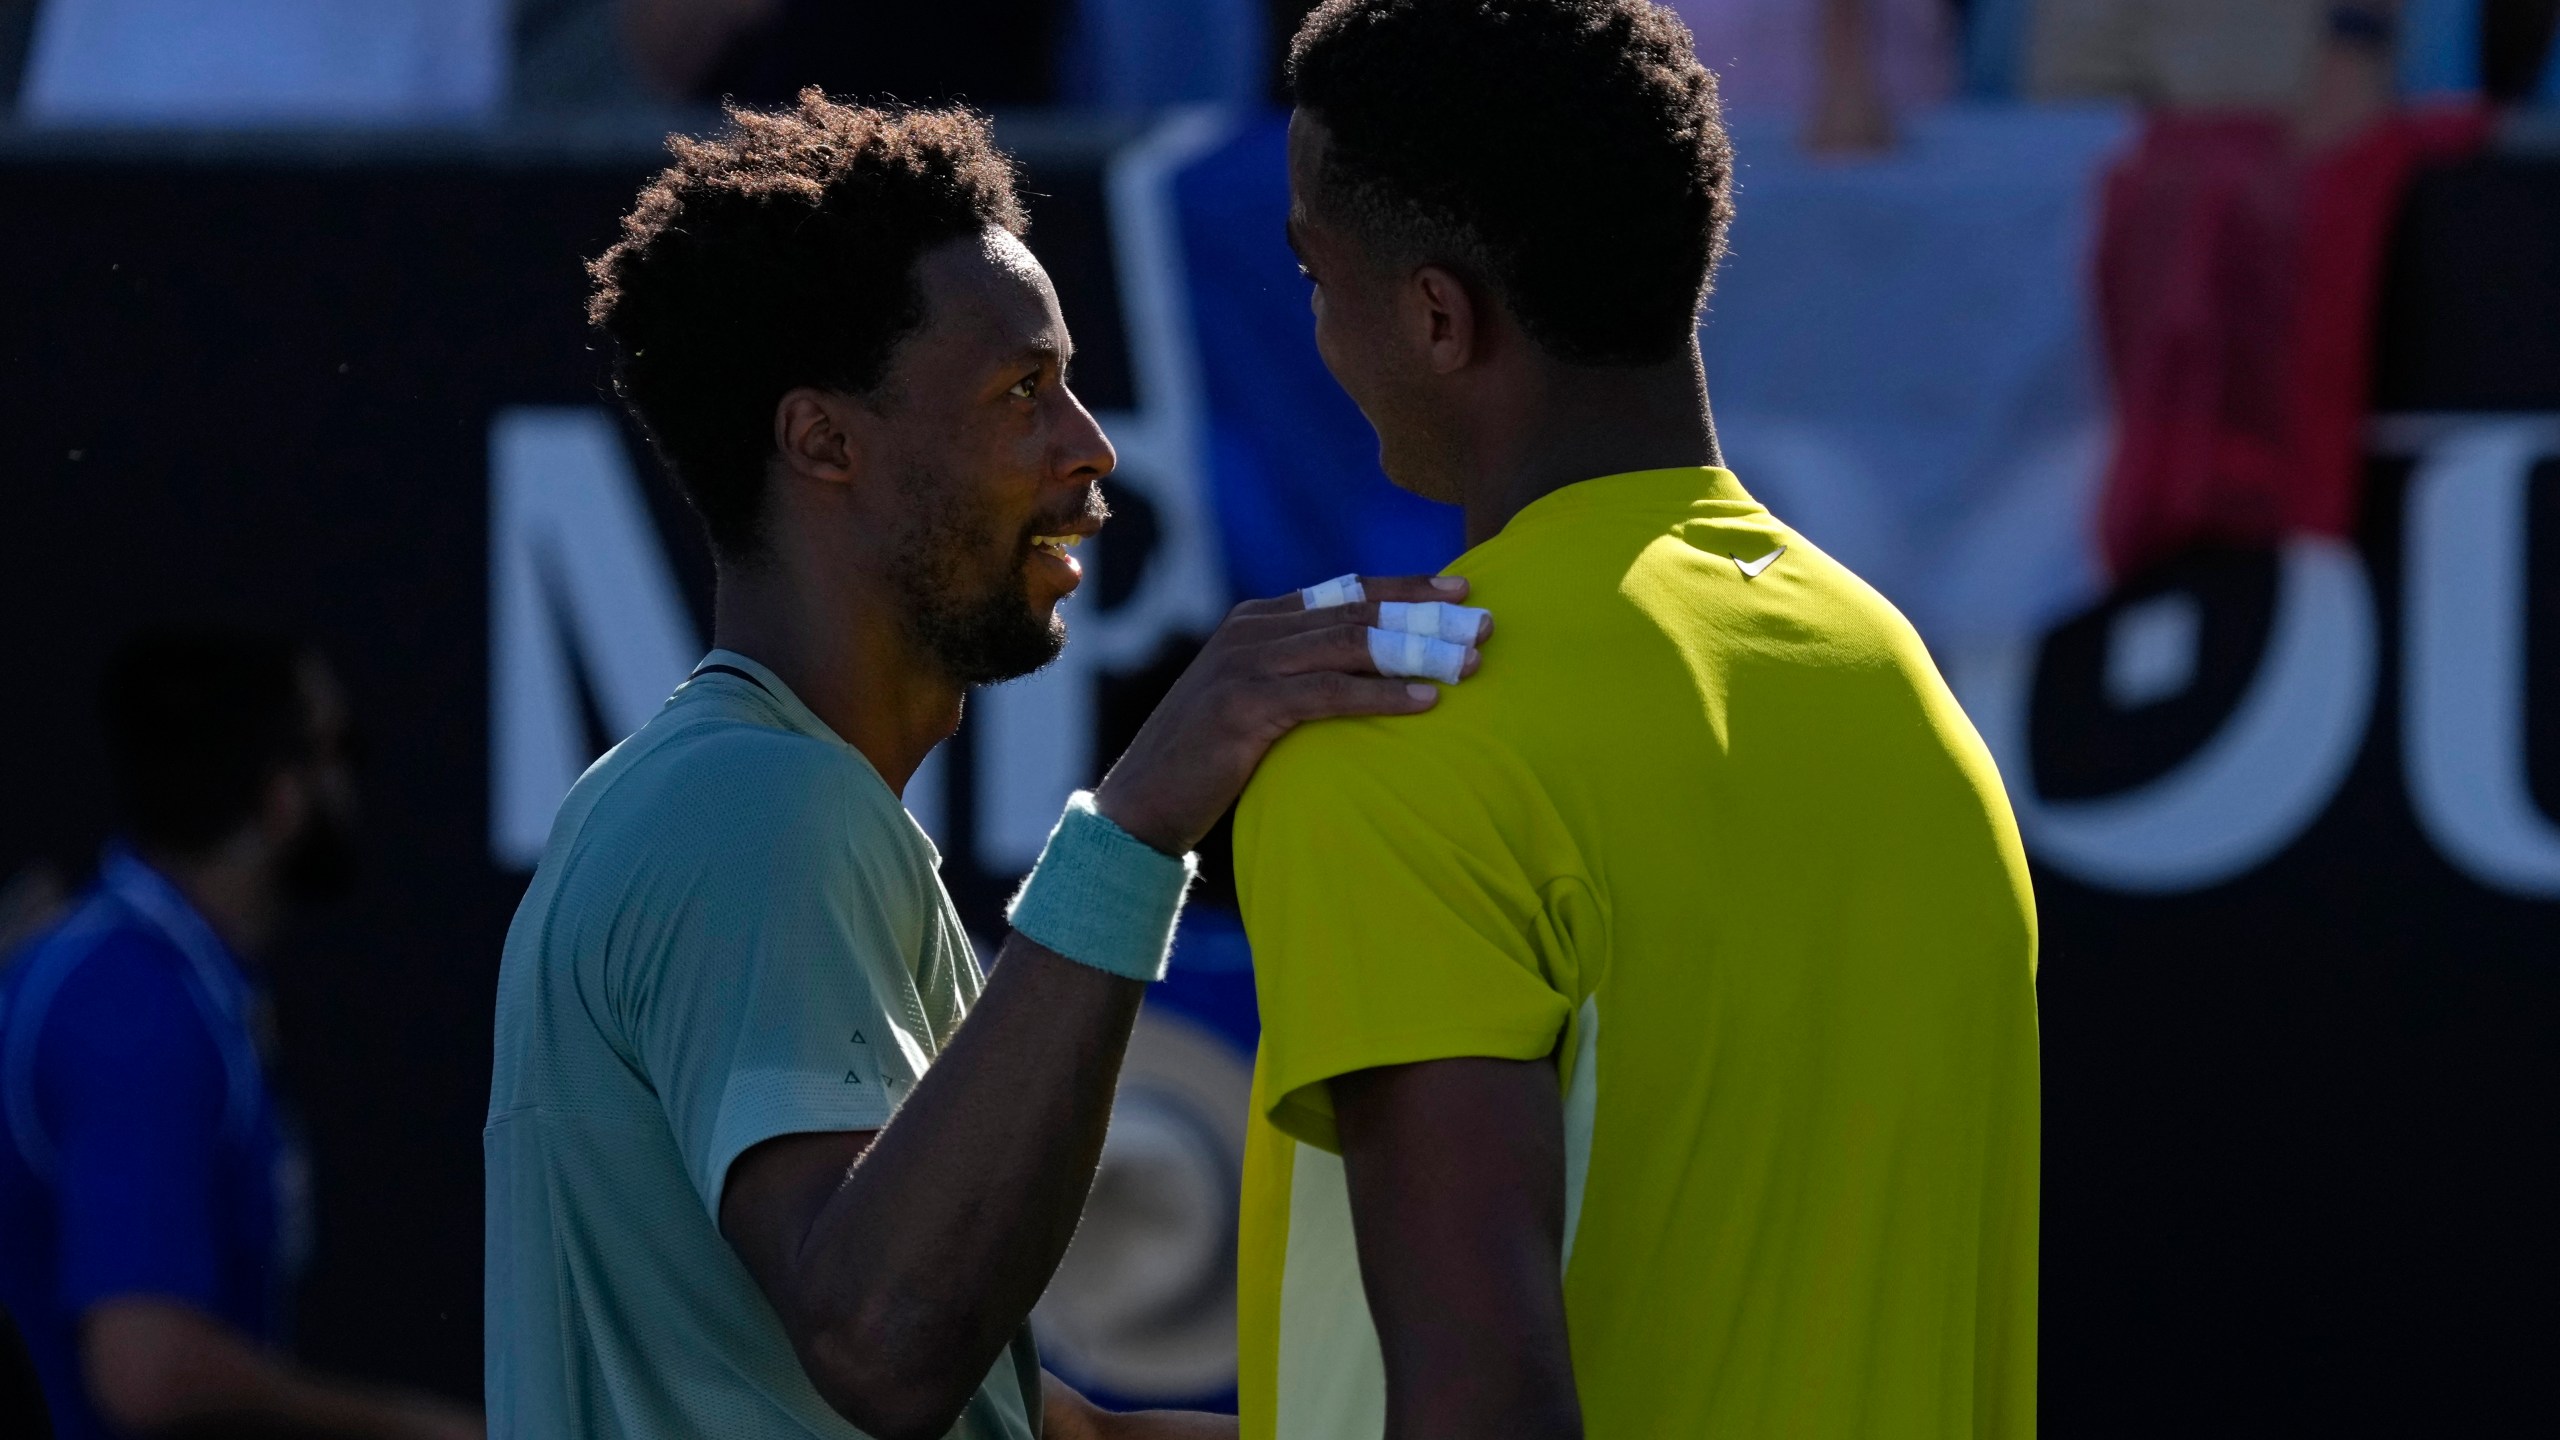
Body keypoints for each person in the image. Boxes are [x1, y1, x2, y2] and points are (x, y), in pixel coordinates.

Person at [484, 92, 1480, 1440]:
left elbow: (1025, 1425)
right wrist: (1139, 823)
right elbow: (886, 1343)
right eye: (1024, 393)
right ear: (825, 441)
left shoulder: (733, 797)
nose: (1090, 445)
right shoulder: (758, 807)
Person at [1231, 3, 2041, 1437]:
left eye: (1316, 269)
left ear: (1433, 315)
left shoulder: (1401, 726)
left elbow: (1487, 1408)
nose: (1317, 322)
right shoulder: (1903, 693)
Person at [0, 630, 483, 1440]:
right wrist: (423, 1428)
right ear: (281, 796)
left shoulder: (145, 978)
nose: (356, 782)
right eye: (343, 749)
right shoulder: (134, 1010)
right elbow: (145, 1372)